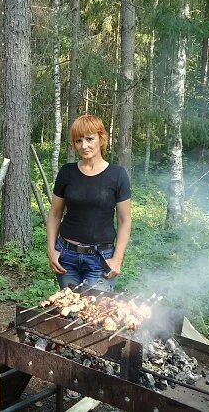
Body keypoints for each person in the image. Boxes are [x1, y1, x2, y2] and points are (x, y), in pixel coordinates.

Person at [47, 114, 132, 292]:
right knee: (69, 312)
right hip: (66, 256)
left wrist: (117, 259)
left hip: (101, 259)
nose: (83, 146)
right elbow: (55, 214)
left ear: (101, 138)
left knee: (94, 316)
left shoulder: (117, 175)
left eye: (89, 139)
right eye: (78, 141)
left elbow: (125, 221)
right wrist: (51, 250)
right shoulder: (67, 172)